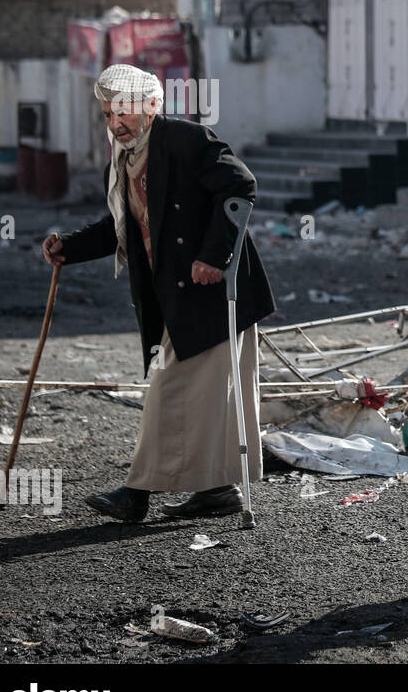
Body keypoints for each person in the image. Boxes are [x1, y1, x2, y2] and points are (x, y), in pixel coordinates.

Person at [41, 64, 275, 522]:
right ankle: (217, 492)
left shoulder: (186, 140)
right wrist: (68, 248)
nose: (116, 123)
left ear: (152, 104)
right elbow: (123, 226)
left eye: (123, 112)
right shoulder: (125, 159)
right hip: (175, 295)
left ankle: (136, 493)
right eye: (108, 115)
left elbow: (239, 185)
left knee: (170, 389)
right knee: (211, 399)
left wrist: (214, 255)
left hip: (214, 291)